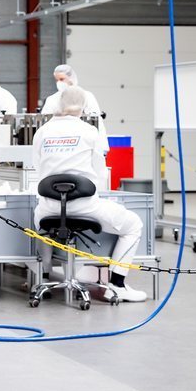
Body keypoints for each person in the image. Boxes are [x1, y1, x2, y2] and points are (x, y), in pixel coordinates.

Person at [31, 86, 146, 302]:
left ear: (58, 105)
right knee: (133, 225)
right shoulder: (90, 132)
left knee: (39, 223)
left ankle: (44, 276)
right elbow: (100, 173)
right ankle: (117, 284)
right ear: (84, 107)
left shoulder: (42, 132)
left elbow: (37, 168)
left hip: (48, 207)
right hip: (85, 206)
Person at [41, 64, 108, 148]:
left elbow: (98, 122)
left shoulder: (86, 96)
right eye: (56, 80)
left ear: (71, 78)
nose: (59, 83)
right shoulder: (52, 99)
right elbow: (45, 123)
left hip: (83, 143)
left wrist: (102, 147)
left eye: (62, 79)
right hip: (58, 144)